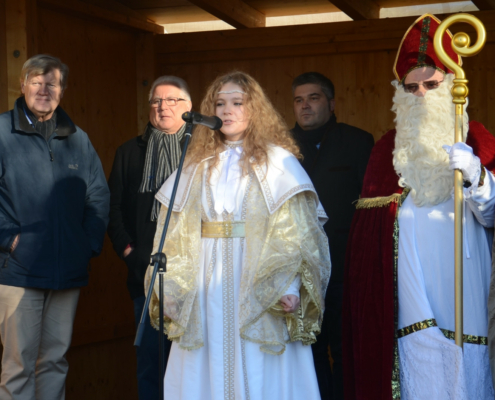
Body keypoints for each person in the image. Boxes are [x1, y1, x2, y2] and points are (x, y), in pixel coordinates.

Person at [144, 71, 331, 400]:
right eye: (219, 104)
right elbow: (174, 233)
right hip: (205, 280)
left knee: (258, 361)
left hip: (258, 278)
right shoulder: (196, 164)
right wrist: (171, 287)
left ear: (254, 109)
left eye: (237, 103)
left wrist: (288, 284)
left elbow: (295, 229)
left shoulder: (278, 162)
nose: (227, 110)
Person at [343, 14, 495, 400]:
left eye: (431, 84)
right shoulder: (386, 152)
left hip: (465, 288)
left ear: (451, 85)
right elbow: (368, 249)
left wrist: (476, 175)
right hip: (408, 295)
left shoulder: (477, 142)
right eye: (411, 87)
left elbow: (492, 215)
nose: (421, 94)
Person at [0, 54, 109, 400]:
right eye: (36, 81)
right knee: (18, 365)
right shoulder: (2, 133)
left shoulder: (78, 139)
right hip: (20, 270)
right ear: (22, 85)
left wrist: (86, 244)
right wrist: (10, 240)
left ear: (63, 90)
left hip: (67, 271)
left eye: (52, 83)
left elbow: (97, 195)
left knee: (54, 361)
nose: (43, 90)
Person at [107, 76, 192, 399]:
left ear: (188, 107)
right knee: (151, 364)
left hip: (196, 277)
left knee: (192, 364)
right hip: (146, 273)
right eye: (156, 101)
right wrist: (129, 250)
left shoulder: (203, 151)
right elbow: (113, 208)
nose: (162, 107)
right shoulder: (130, 151)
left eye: (172, 100)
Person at [291, 72, 374, 399]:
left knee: (344, 351)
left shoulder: (357, 141)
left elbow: (371, 208)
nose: (305, 106)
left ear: (332, 103)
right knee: (306, 352)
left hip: (344, 266)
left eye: (313, 98)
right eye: (298, 100)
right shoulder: (279, 147)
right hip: (297, 269)